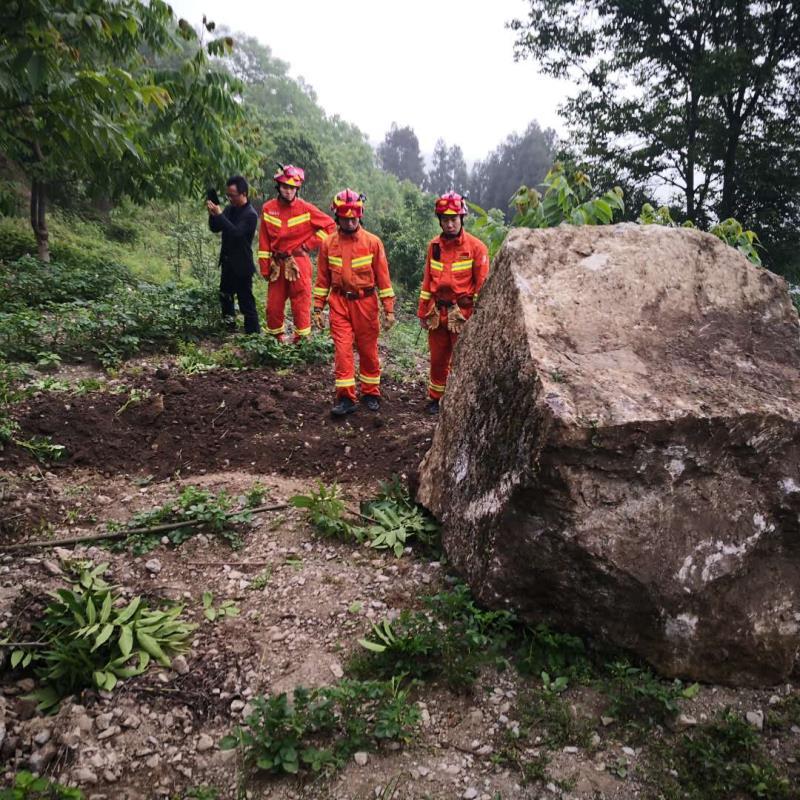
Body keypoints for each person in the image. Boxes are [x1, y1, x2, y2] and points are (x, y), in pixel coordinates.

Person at [313, 189, 396, 416]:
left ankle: (370, 392)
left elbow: (384, 279)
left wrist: (388, 309)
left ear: (360, 215)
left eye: (354, 218)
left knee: (368, 350)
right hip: (339, 302)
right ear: (337, 217)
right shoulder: (328, 244)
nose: (350, 222)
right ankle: (346, 398)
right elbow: (322, 279)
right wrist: (318, 307)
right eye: (345, 218)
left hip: (366, 303)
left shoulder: (373, 243)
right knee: (342, 351)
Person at [417, 191, 490, 414]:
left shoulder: (477, 248)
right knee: (438, 358)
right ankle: (435, 398)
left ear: (461, 219)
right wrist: (423, 311)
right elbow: (428, 279)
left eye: (454, 219)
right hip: (437, 311)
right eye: (445, 220)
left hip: (463, 313)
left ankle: (460, 399)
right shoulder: (434, 246)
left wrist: (477, 318)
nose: (449, 224)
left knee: (462, 359)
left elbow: (482, 286)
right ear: (440, 220)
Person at [257, 164, 335, 342]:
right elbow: (264, 242)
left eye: (292, 188)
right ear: (279, 187)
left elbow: (330, 226)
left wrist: (308, 246)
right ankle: (275, 339)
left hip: (299, 262)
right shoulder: (268, 208)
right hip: (277, 263)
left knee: (301, 302)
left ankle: (301, 341)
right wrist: (264, 267)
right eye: (285, 187)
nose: (288, 191)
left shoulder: (306, 208)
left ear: (297, 188)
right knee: (273, 305)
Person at [207, 175, 260, 334]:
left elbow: (236, 233)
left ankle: (253, 335)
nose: (230, 198)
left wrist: (220, 215)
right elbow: (216, 228)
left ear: (243, 193)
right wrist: (213, 213)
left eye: (232, 195)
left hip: (242, 265)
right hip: (228, 263)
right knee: (225, 298)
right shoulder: (230, 209)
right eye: (228, 195)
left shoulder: (250, 214)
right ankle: (228, 331)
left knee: (246, 303)